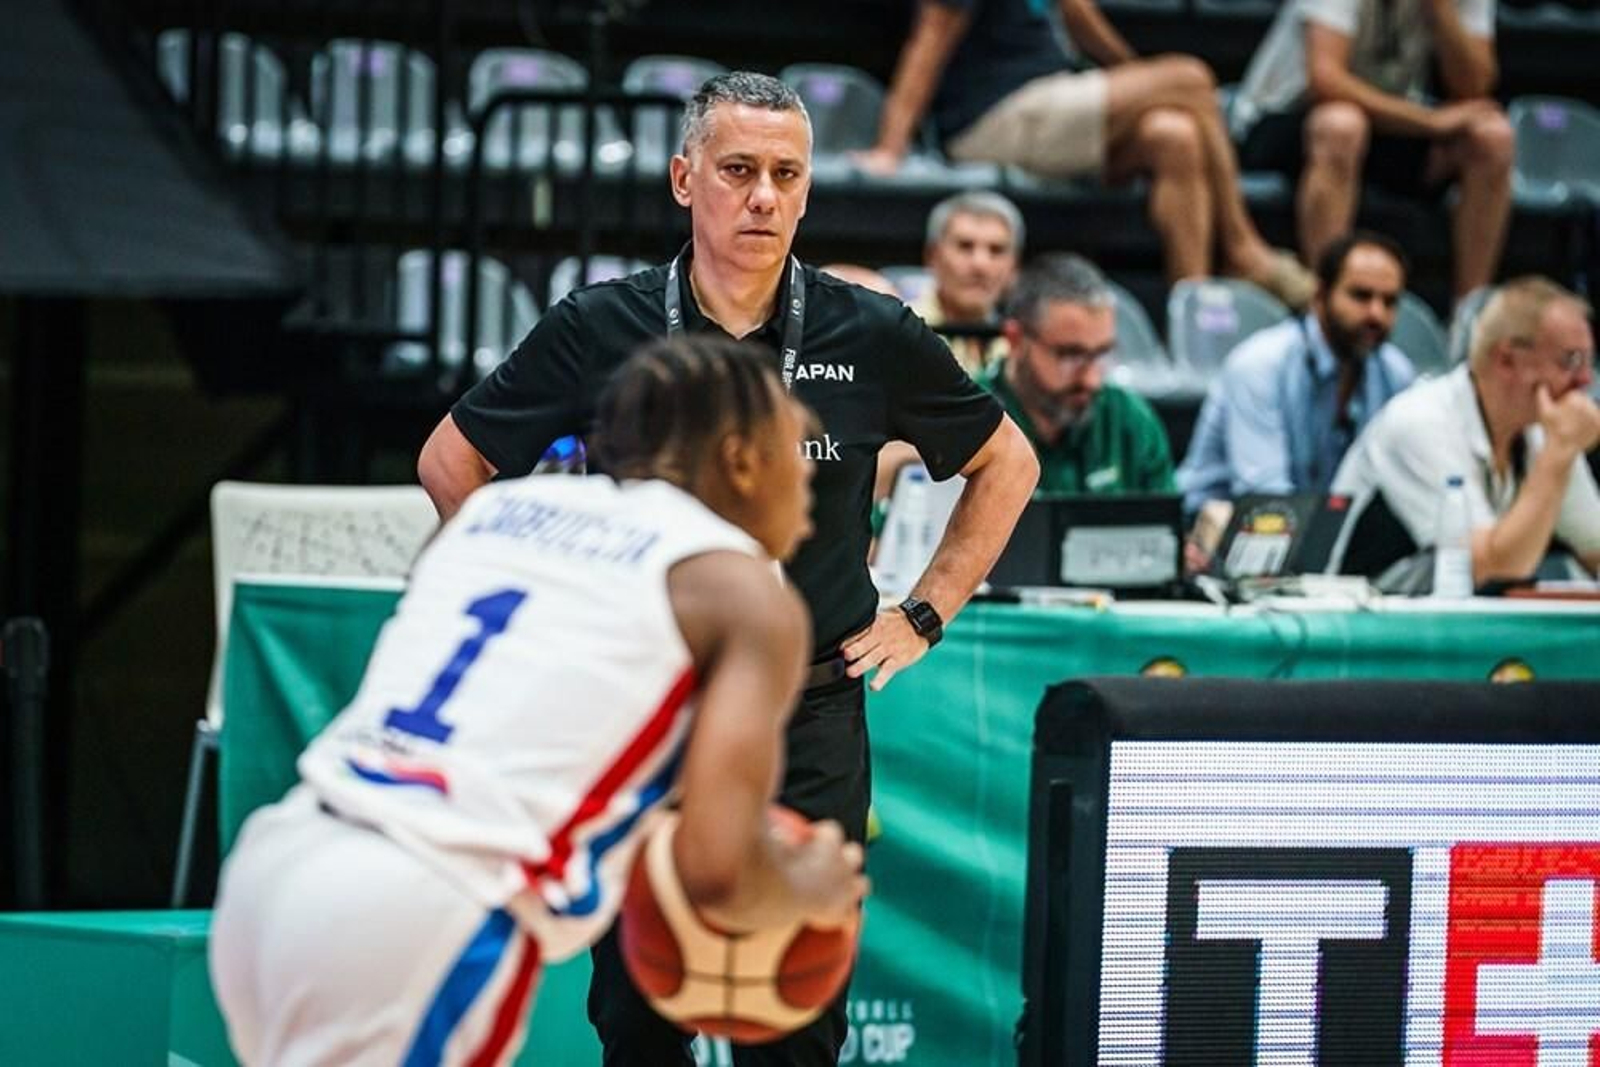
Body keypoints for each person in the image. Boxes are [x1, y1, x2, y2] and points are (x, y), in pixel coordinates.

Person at [416, 71, 1038, 1066]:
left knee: (791, 1018)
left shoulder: (870, 329)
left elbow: (1007, 459)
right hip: (641, 706)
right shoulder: (601, 323)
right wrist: (543, 601)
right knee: (637, 1007)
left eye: (785, 175)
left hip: (810, 705)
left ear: (805, 192)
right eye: (738, 169)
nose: (762, 195)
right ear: (683, 177)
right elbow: (454, 459)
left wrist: (924, 611)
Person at [209, 338, 871, 1067]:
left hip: (281, 860)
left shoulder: (497, 509)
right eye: (800, 449)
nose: (812, 477)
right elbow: (717, 872)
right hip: (430, 900)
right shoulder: (742, 588)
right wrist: (809, 883)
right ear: (743, 459)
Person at [855, 0, 1315, 306]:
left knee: (1175, 135)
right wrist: (889, 148)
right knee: (1190, 77)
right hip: (991, 117)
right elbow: (929, 39)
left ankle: (1188, 303)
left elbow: (1080, 15)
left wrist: (1140, 82)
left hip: (1050, 103)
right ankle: (1241, 247)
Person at [1232, 0, 1513, 299]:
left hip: (1387, 121)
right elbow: (1326, 81)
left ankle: (1470, 313)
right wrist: (1430, 121)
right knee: (1342, 125)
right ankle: (1327, 298)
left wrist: (1440, 11)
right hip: (1284, 116)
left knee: (1492, 137)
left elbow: (1476, 85)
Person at [1333, 276, 1600, 582]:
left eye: (1588, 363)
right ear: (1507, 359)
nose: (1584, 381)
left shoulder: (1541, 430)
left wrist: (1558, 451)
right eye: (1570, 360)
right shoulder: (1419, 421)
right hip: (1356, 619)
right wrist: (1559, 454)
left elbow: (1595, 547)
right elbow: (1492, 566)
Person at [1177, 231, 1417, 514]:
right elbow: (1266, 499)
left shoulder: (1396, 372)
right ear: (1320, 295)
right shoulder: (1259, 365)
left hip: (1317, 532)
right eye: (1361, 296)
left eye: (1389, 301)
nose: (1376, 314)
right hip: (1218, 535)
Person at [981, 253, 1176, 494]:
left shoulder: (1130, 420)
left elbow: (1166, 527)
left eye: (1102, 353)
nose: (1092, 380)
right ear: (1016, 340)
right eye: (1070, 355)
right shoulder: (970, 418)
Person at [914, 190, 1023, 375]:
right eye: (965, 246)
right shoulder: (899, 334)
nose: (980, 264)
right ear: (932, 256)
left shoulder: (1021, 349)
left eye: (996, 250)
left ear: (1014, 267)